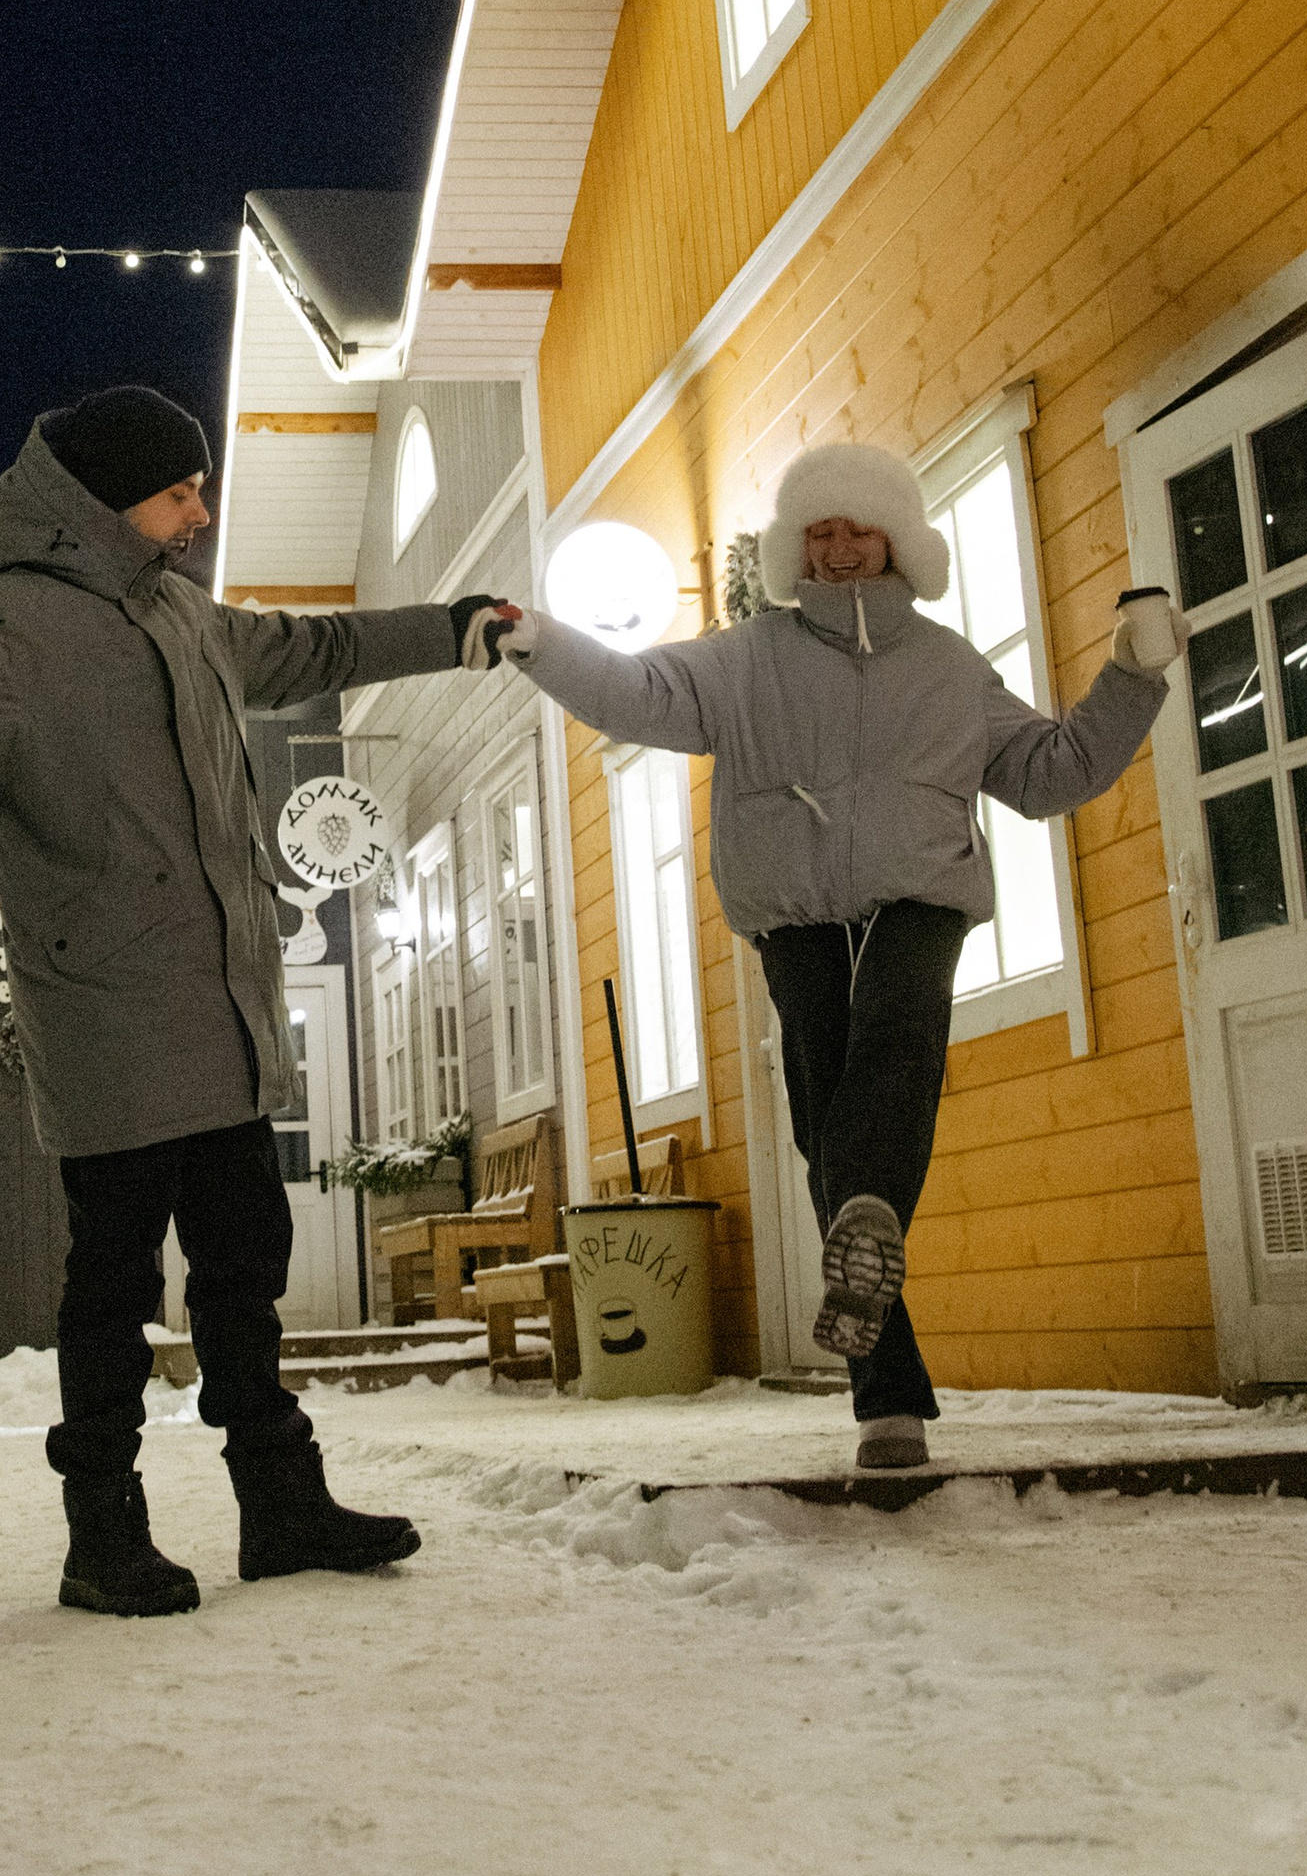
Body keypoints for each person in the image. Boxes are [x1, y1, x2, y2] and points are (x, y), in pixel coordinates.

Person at [0, 385, 515, 1614]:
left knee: (244, 1264)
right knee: (114, 1283)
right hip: (104, 1010)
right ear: (103, 500)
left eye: (199, 486)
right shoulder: (3, 624)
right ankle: (103, 1531)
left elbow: (315, 652)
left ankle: (281, 1503)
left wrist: (452, 625)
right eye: (179, 489)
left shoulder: (182, 615)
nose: (200, 510)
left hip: (221, 1001)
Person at [493, 439, 1187, 1471]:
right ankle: (888, 1391)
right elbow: (635, 692)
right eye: (819, 530)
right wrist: (540, 641)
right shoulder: (742, 659)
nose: (840, 545)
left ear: (895, 538)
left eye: (858, 526)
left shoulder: (950, 666)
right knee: (827, 1124)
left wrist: (1132, 673)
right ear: (793, 550)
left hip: (918, 898)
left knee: (896, 1050)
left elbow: (1050, 772)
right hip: (798, 913)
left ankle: (870, 1288)